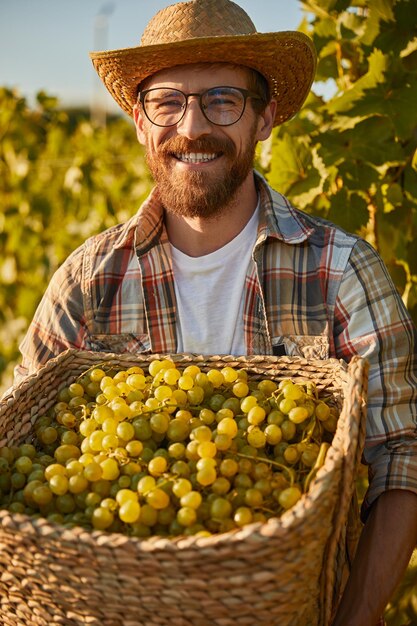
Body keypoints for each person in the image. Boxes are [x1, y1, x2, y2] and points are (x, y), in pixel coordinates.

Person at [14, 0, 417, 624]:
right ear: (141, 123)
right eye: (168, 102)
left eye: (223, 100)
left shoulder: (343, 273)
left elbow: (404, 462)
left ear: (264, 119)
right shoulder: (86, 284)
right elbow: (21, 465)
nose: (193, 126)